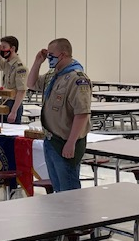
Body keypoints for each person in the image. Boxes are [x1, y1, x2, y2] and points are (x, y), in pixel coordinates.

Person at [27, 38, 92, 192]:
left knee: (69, 190)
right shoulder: (53, 75)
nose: (48, 57)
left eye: (51, 54)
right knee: (58, 190)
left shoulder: (77, 78)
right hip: (51, 139)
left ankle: (73, 211)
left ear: (62, 55)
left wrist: (71, 143)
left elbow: (82, 113)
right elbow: (31, 84)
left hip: (65, 141)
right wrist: (37, 62)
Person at [0, 36, 27, 124]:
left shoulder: (20, 67)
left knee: (11, 131)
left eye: (4, 47)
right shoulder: (8, 63)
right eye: (1, 47)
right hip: (4, 101)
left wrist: (13, 112)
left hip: (14, 103)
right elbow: (0, 65)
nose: (2, 50)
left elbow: (21, 91)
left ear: (12, 48)